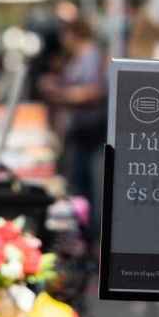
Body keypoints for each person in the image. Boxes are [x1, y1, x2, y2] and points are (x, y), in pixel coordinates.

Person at [39, 18, 106, 242]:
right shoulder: (81, 57)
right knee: (79, 188)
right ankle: (84, 240)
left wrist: (60, 94)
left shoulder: (91, 56)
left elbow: (94, 92)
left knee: (85, 191)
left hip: (90, 133)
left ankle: (88, 242)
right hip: (80, 133)